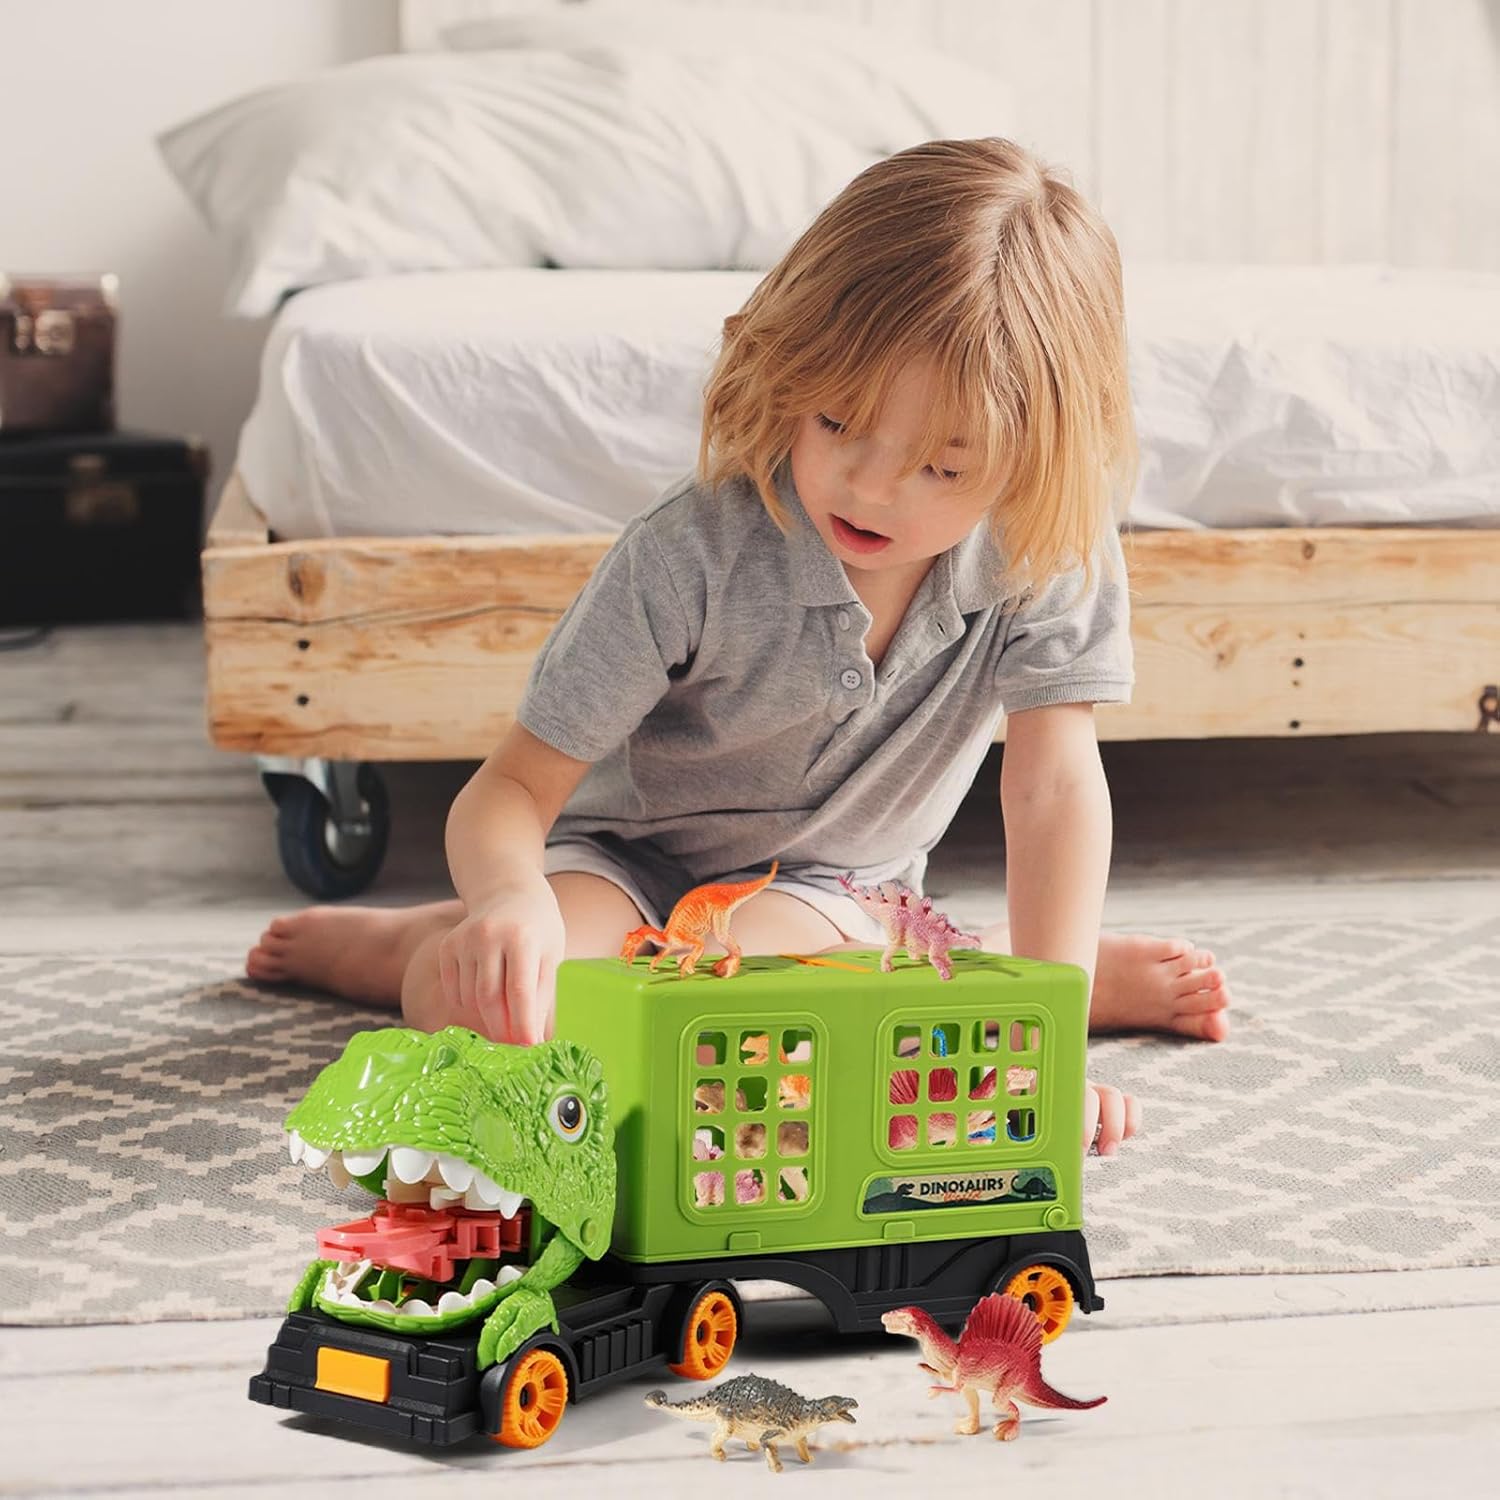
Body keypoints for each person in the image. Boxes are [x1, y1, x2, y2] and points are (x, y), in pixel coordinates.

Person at [247, 138, 1231, 1157]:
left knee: (743, 1041)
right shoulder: (691, 551)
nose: (869, 488)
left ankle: (1020, 973)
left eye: (942, 467)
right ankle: (420, 943)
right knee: (511, 1018)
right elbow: (511, 792)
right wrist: (506, 901)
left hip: (831, 892)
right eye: (837, 421)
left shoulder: (1050, 545)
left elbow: (1054, 792)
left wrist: (1048, 1045)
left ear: (1033, 459)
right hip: (625, 863)